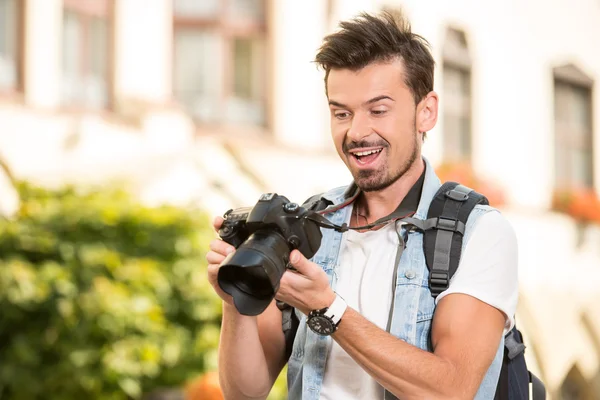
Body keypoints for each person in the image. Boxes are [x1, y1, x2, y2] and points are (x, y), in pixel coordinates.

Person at [206, 10, 518, 400]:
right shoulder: (307, 225)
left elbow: (450, 390)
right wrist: (235, 300)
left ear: (427, 111)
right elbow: (245, 391)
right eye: (341, 113)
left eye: (378, 110)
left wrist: (327, 309)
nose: (356, 132)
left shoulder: (478, 232)